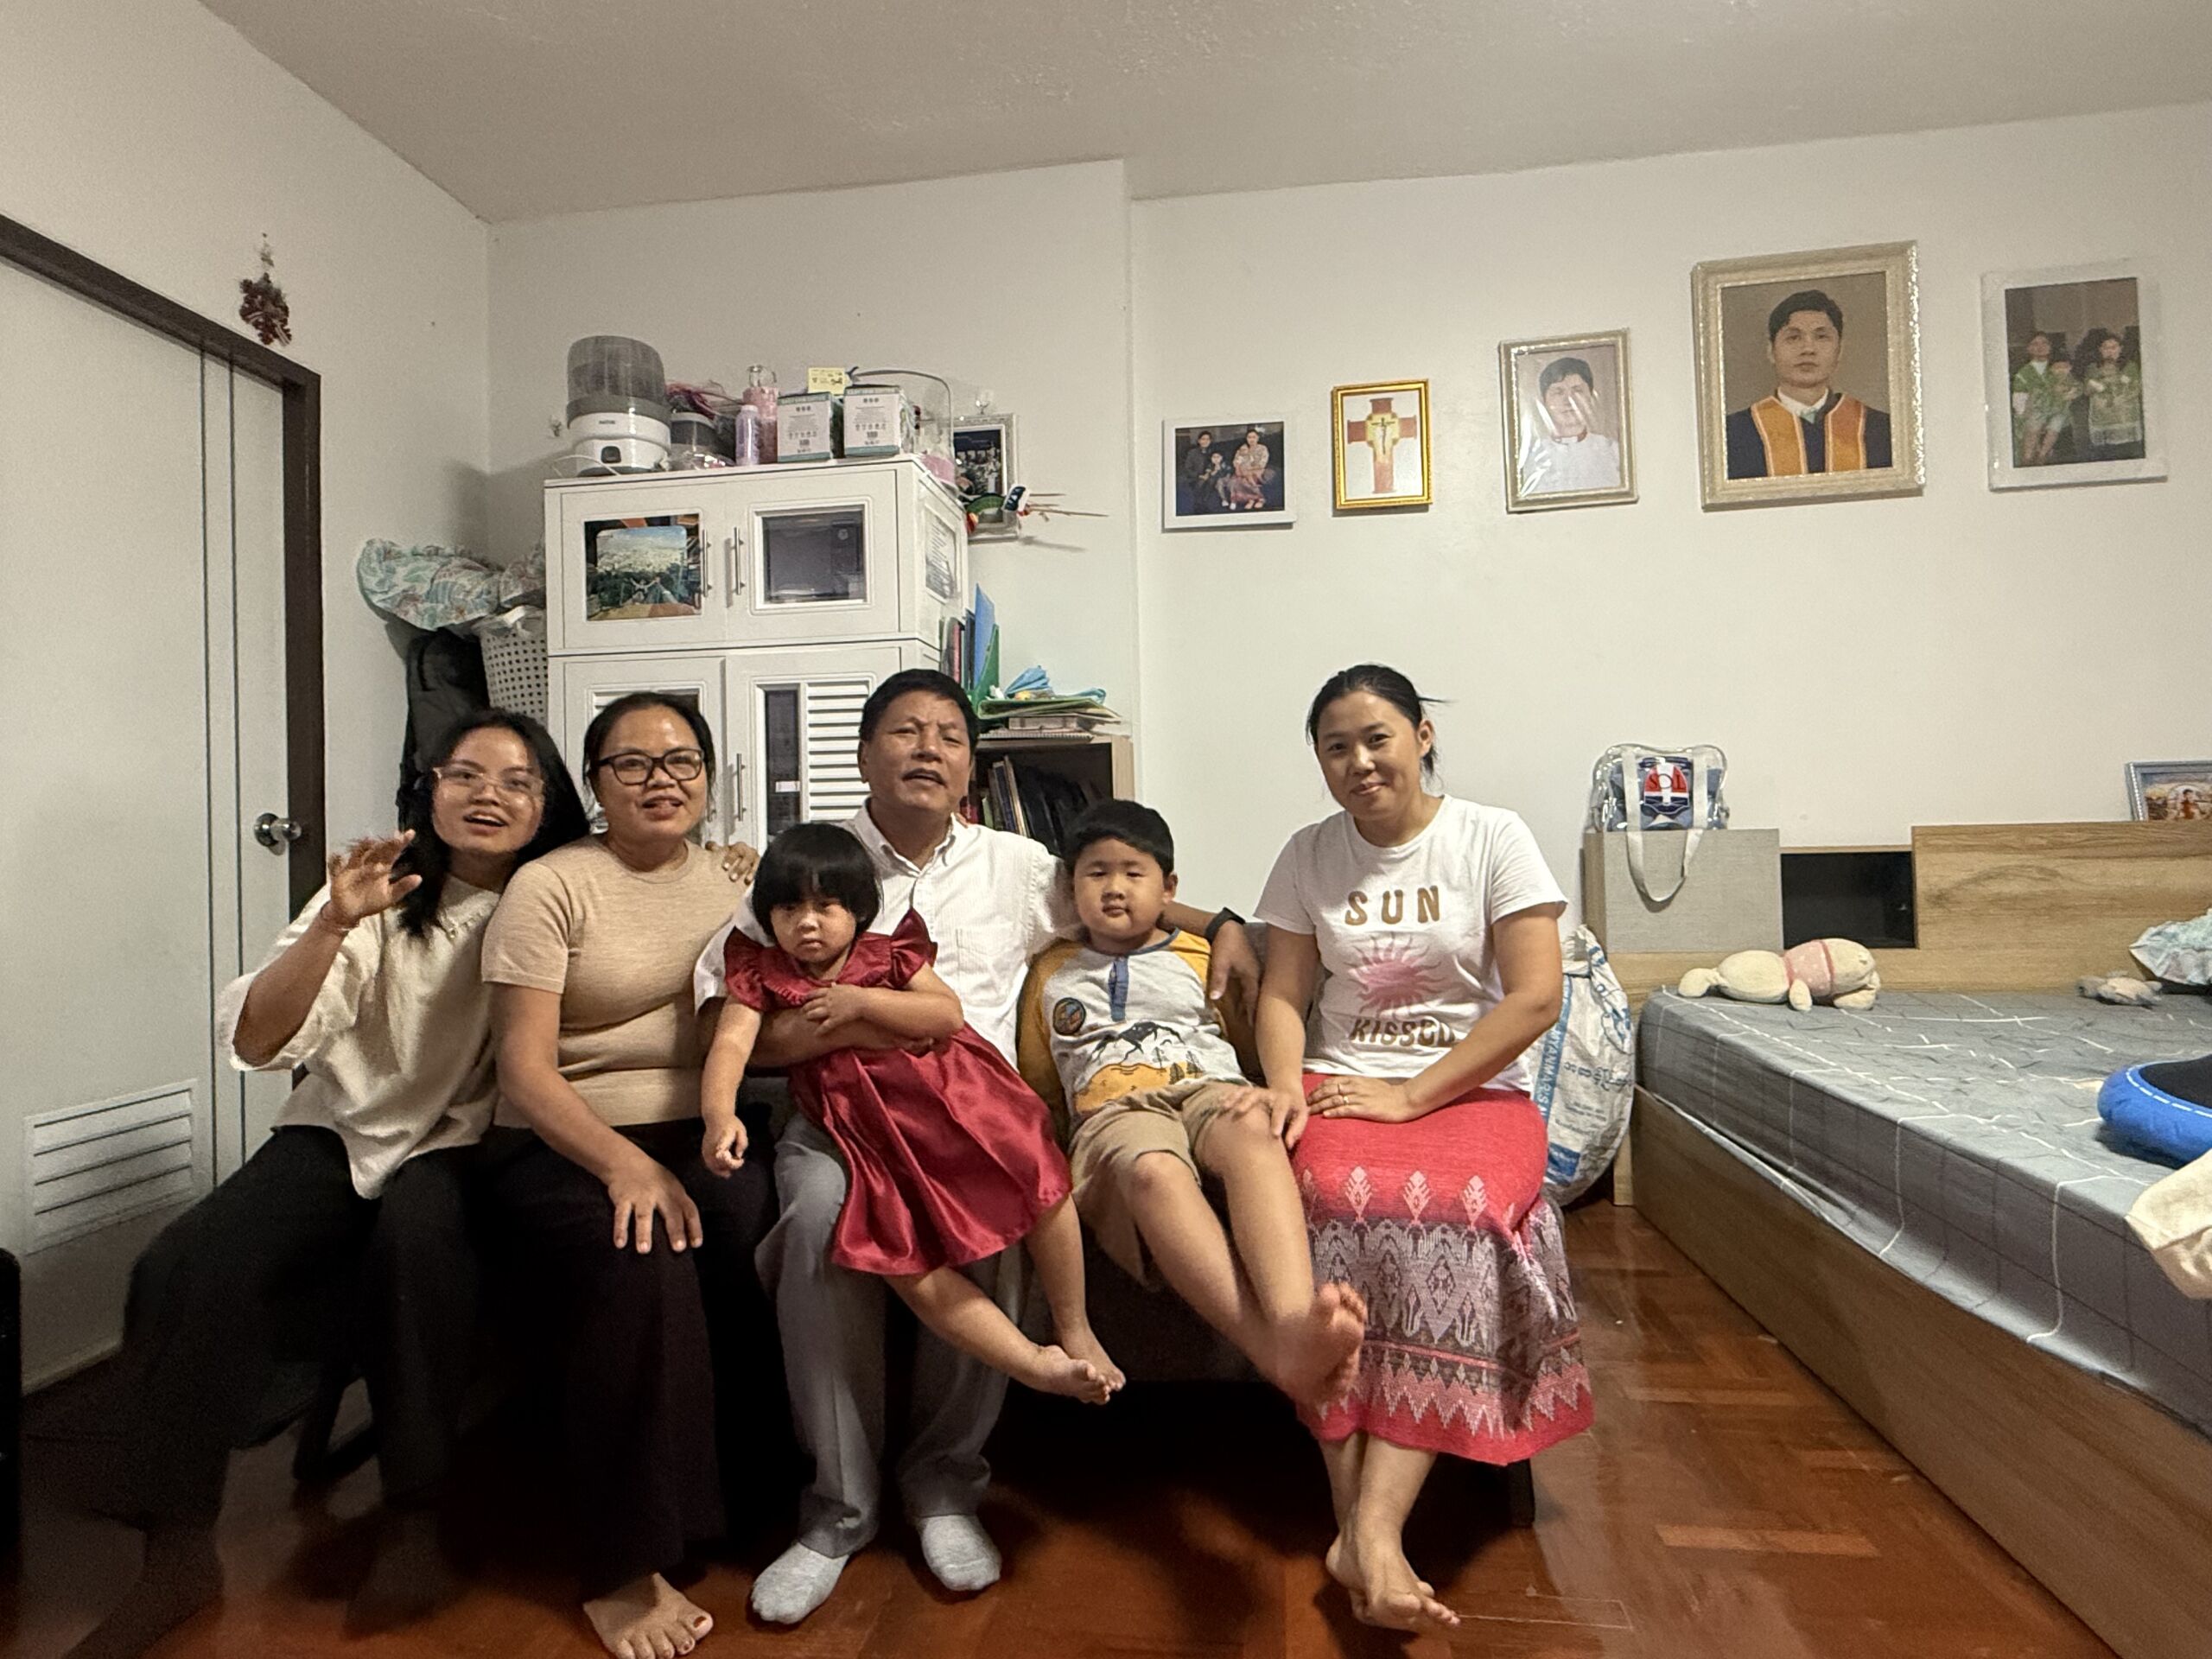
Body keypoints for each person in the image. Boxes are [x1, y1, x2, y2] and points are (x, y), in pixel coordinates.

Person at [709, 669, 1259, 1626]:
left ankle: (943, 1486)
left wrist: (1222, 926)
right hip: (838, 1119)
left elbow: (1121, 892)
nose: (929, 748)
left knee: (1002, 1210)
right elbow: (739, 1018)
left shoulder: (1019, 865)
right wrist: (853, 1027)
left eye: (950, 736)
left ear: (971, 763)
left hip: (971, 1114)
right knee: (815, 1220)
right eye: (905, 731)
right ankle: (837, 1512)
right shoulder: (810, 867)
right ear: (863, 753)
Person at [66, 711, 589, 1659]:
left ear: (547, 805)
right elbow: (262, 1039)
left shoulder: (559, 892)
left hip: (465, 1142)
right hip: (341, 1128)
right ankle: (176, 1550)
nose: (488, 794)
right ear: (430, 789)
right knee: (185, 1264)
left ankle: (414, 1516)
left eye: (517, 781)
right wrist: (335, 922)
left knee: (418, 1246)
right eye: (465, 774)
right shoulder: (379, 889)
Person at [1255, 664, 1595, 1637]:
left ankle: (1369, 1529)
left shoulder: (1492, 836)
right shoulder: (1307, 854)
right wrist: (1285, 1085)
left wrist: (1411, 1097)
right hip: (1339, 1083)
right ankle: (1362, 1534)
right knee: (1329, 1208)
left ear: (1422, 736)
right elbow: (1282, 994)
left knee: (1457, 1215)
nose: (1359, 763)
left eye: (1377, 738)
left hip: (1471, 1091)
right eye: (1336, 748)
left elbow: (1535, 997)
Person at [478, 692, 772, 1659]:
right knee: (640, 1249)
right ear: (596, 783)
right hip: (564, 1138)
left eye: (682, 761)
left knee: (749, 1222)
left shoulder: (734, 882)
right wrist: (624, 1165)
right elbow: (523, 1069)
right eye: (633, 764)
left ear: (710, 778)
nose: (661, 780)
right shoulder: (551, 886)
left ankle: (733, 1506)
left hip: (700, 1124)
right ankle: (621, 1561)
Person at [702, 823, 1120, 1403]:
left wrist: (863, 1002)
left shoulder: (887, 954)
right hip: (866, 1131)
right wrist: (719, 1115)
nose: (807, 923)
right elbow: (730, 1044)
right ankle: (1029, 1362)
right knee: (898, 1255)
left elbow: (946, 1016)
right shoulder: (763, 973)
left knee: (1040, 1178)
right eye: (789, 909)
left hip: (955, 1102)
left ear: (859, 909)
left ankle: (1074, 1328)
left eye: (826, 906)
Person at [1017, 799, 1367, 1406]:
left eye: (1133, 872)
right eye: (1096, 873)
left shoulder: (1206, 957)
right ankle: (1276, 1355)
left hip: (1209, 1087)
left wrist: (1265, 1085)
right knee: (1153, 1171)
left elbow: (1247, 1045)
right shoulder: (1051, 971)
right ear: (1071, 889)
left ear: (1169, 888)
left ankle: (1292, 1323)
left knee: (1254, 1129)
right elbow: (1042, 1081)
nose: (1115, 888)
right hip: (1115, 1114)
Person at [1723, 289, 1893, 479]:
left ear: (1840, 350)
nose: (1808, 349)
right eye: (1793, 337)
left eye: (1821, 337)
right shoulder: (1731, 434)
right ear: (1771, 351)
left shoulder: (1882, 430)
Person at [1518, 355, 1622, 493]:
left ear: (1590, 397)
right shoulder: (1531, 458)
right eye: (1558, 392)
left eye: (1577, 391)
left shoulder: (1613, 452)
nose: (1569, 400)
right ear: (1544, 401)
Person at [2081, 328, 2145, 459]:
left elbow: (2136, 388)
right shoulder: (2092, 368)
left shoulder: (2130, 366)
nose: (2110, 351)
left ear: (2120, 349)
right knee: (2105, 455)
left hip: (2125, 418)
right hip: (2102, 419)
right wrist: (2097, 384)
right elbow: (2087, 391)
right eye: (2106, 348)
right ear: (2100, 350)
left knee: (2129, 454)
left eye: (2114, 347)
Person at [1227, 427, 1272, 509]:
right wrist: (1239, 467)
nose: (1251, 440)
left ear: (1258, 438)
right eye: (1249, 437)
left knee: (1249, 478)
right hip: (1242, 471)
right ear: (1247, 438)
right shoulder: (1242, 448)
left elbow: (1262, 463)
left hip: (1257, 470)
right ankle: (1250, 499)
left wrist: (1249, 469)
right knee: (1235, 481)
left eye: (1254, 437)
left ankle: (1260, 499)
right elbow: (1236, 461)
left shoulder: (1262, 448)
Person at [1177, 429, 1218, 515]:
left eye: (1208, 439)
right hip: (1194, 477)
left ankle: (1203, 504)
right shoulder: (1192, 453)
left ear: (1210, 441)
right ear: (1199, 441)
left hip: (1209, 475)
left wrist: (1208, 473)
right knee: (1201, 482)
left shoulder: (1213, 452)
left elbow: (1213, 465)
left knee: (1211, 481)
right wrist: (1199, 476)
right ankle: (1199, 505)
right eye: (1203, 439)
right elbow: (1187, 469)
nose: (1205, 441)